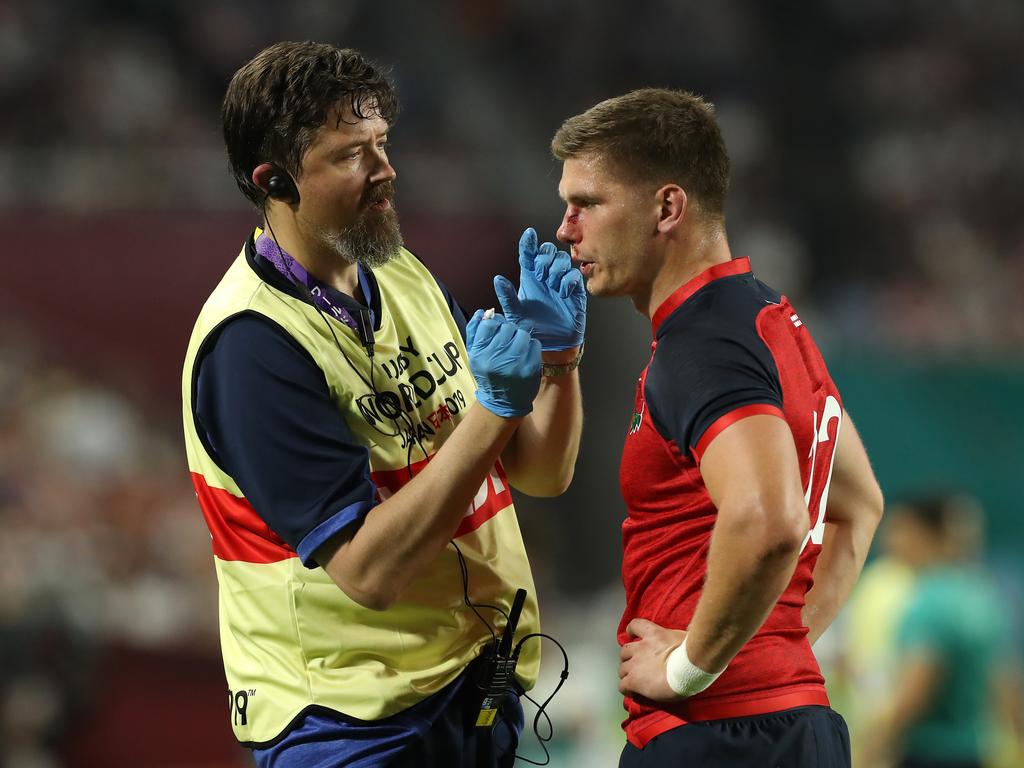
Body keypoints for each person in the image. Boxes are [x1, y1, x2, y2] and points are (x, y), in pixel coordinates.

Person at [181, 41, 586, 767]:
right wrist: (496, 409)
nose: (385, 170)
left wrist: (558, 365)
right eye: (350, 155)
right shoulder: (250, 346)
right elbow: (367, 572)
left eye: (382, 144)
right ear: (275, 180)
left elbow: (539, 472)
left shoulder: (400, 273)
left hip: (469, 690)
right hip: (347, 726)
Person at [542, 88, 885, 766]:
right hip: (786, 724)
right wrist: (767, 651)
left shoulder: (702, 345)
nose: (565, 229)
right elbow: (857, 505)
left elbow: (770, 519)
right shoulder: (766, 318)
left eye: (588, 203)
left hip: (715, 739)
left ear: (667, 207)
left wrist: (689, 669)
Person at [858, 494, 1022, 768]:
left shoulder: (928, 603)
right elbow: (1005, 680)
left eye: (899, 529)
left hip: (927, 755)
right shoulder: (981, 596)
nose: (890, 541)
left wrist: (872, 749)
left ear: (922, 533)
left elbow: (914, 692)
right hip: (973, 753)